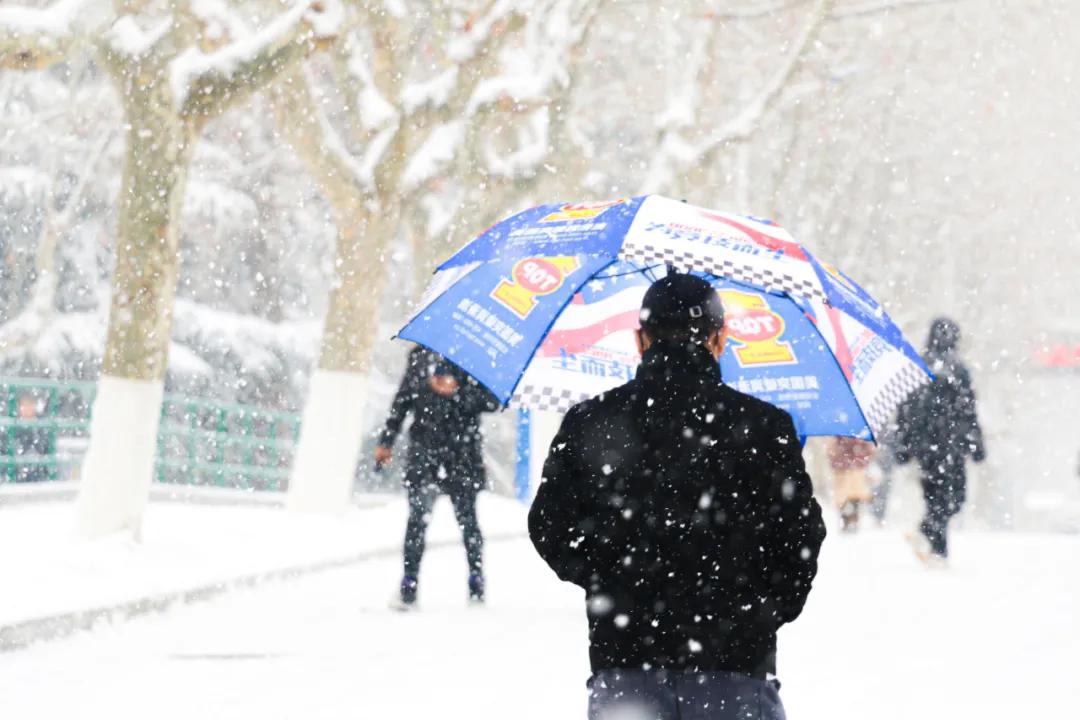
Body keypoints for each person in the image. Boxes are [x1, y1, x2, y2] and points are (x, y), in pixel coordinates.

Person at [528, 273, 826, 720]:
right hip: (736, 667)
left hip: (626, 663)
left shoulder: (592, 421)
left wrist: (609, 580)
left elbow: (549, 525)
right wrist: (760, 610)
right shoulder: (766, 427)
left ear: (640, 340)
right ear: (720, 339)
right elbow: (800, 536)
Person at [375, 346, 500, 609]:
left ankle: (476, 580)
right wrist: (387, 440)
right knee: (417, 521)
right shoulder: (420, 356)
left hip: (462, 455)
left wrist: (458, 392)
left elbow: (493, 401)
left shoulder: (476, 355)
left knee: (468, 521)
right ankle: (409, 585)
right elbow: (402, 401)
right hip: (425, 453)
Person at [894, 317, 985, 567]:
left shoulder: (918, 366)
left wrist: (903, 445)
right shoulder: (958, 369)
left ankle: (936, 547)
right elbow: (968, 411)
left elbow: (905, 411)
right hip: (951, 448)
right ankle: (932, 540)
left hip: (926, 448)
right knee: (952, 499)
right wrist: (975, 445)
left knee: (936, 497)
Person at [827, 436, 874, 532]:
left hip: (850, 467)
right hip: (847, 467)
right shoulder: (859, 433)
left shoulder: (841, 432)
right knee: (848, 497)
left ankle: (850, 520)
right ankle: (848, 520)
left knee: (852, 496)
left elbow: (831, 450)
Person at [2, 394, 50, 483]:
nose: (26, 408)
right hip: (16, 473)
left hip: (36, 473)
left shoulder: (42, 427)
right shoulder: (12, 427)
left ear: (34, 406)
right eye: (23, 405)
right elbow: (5, 449)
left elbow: (45, 449)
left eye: (29, 405)